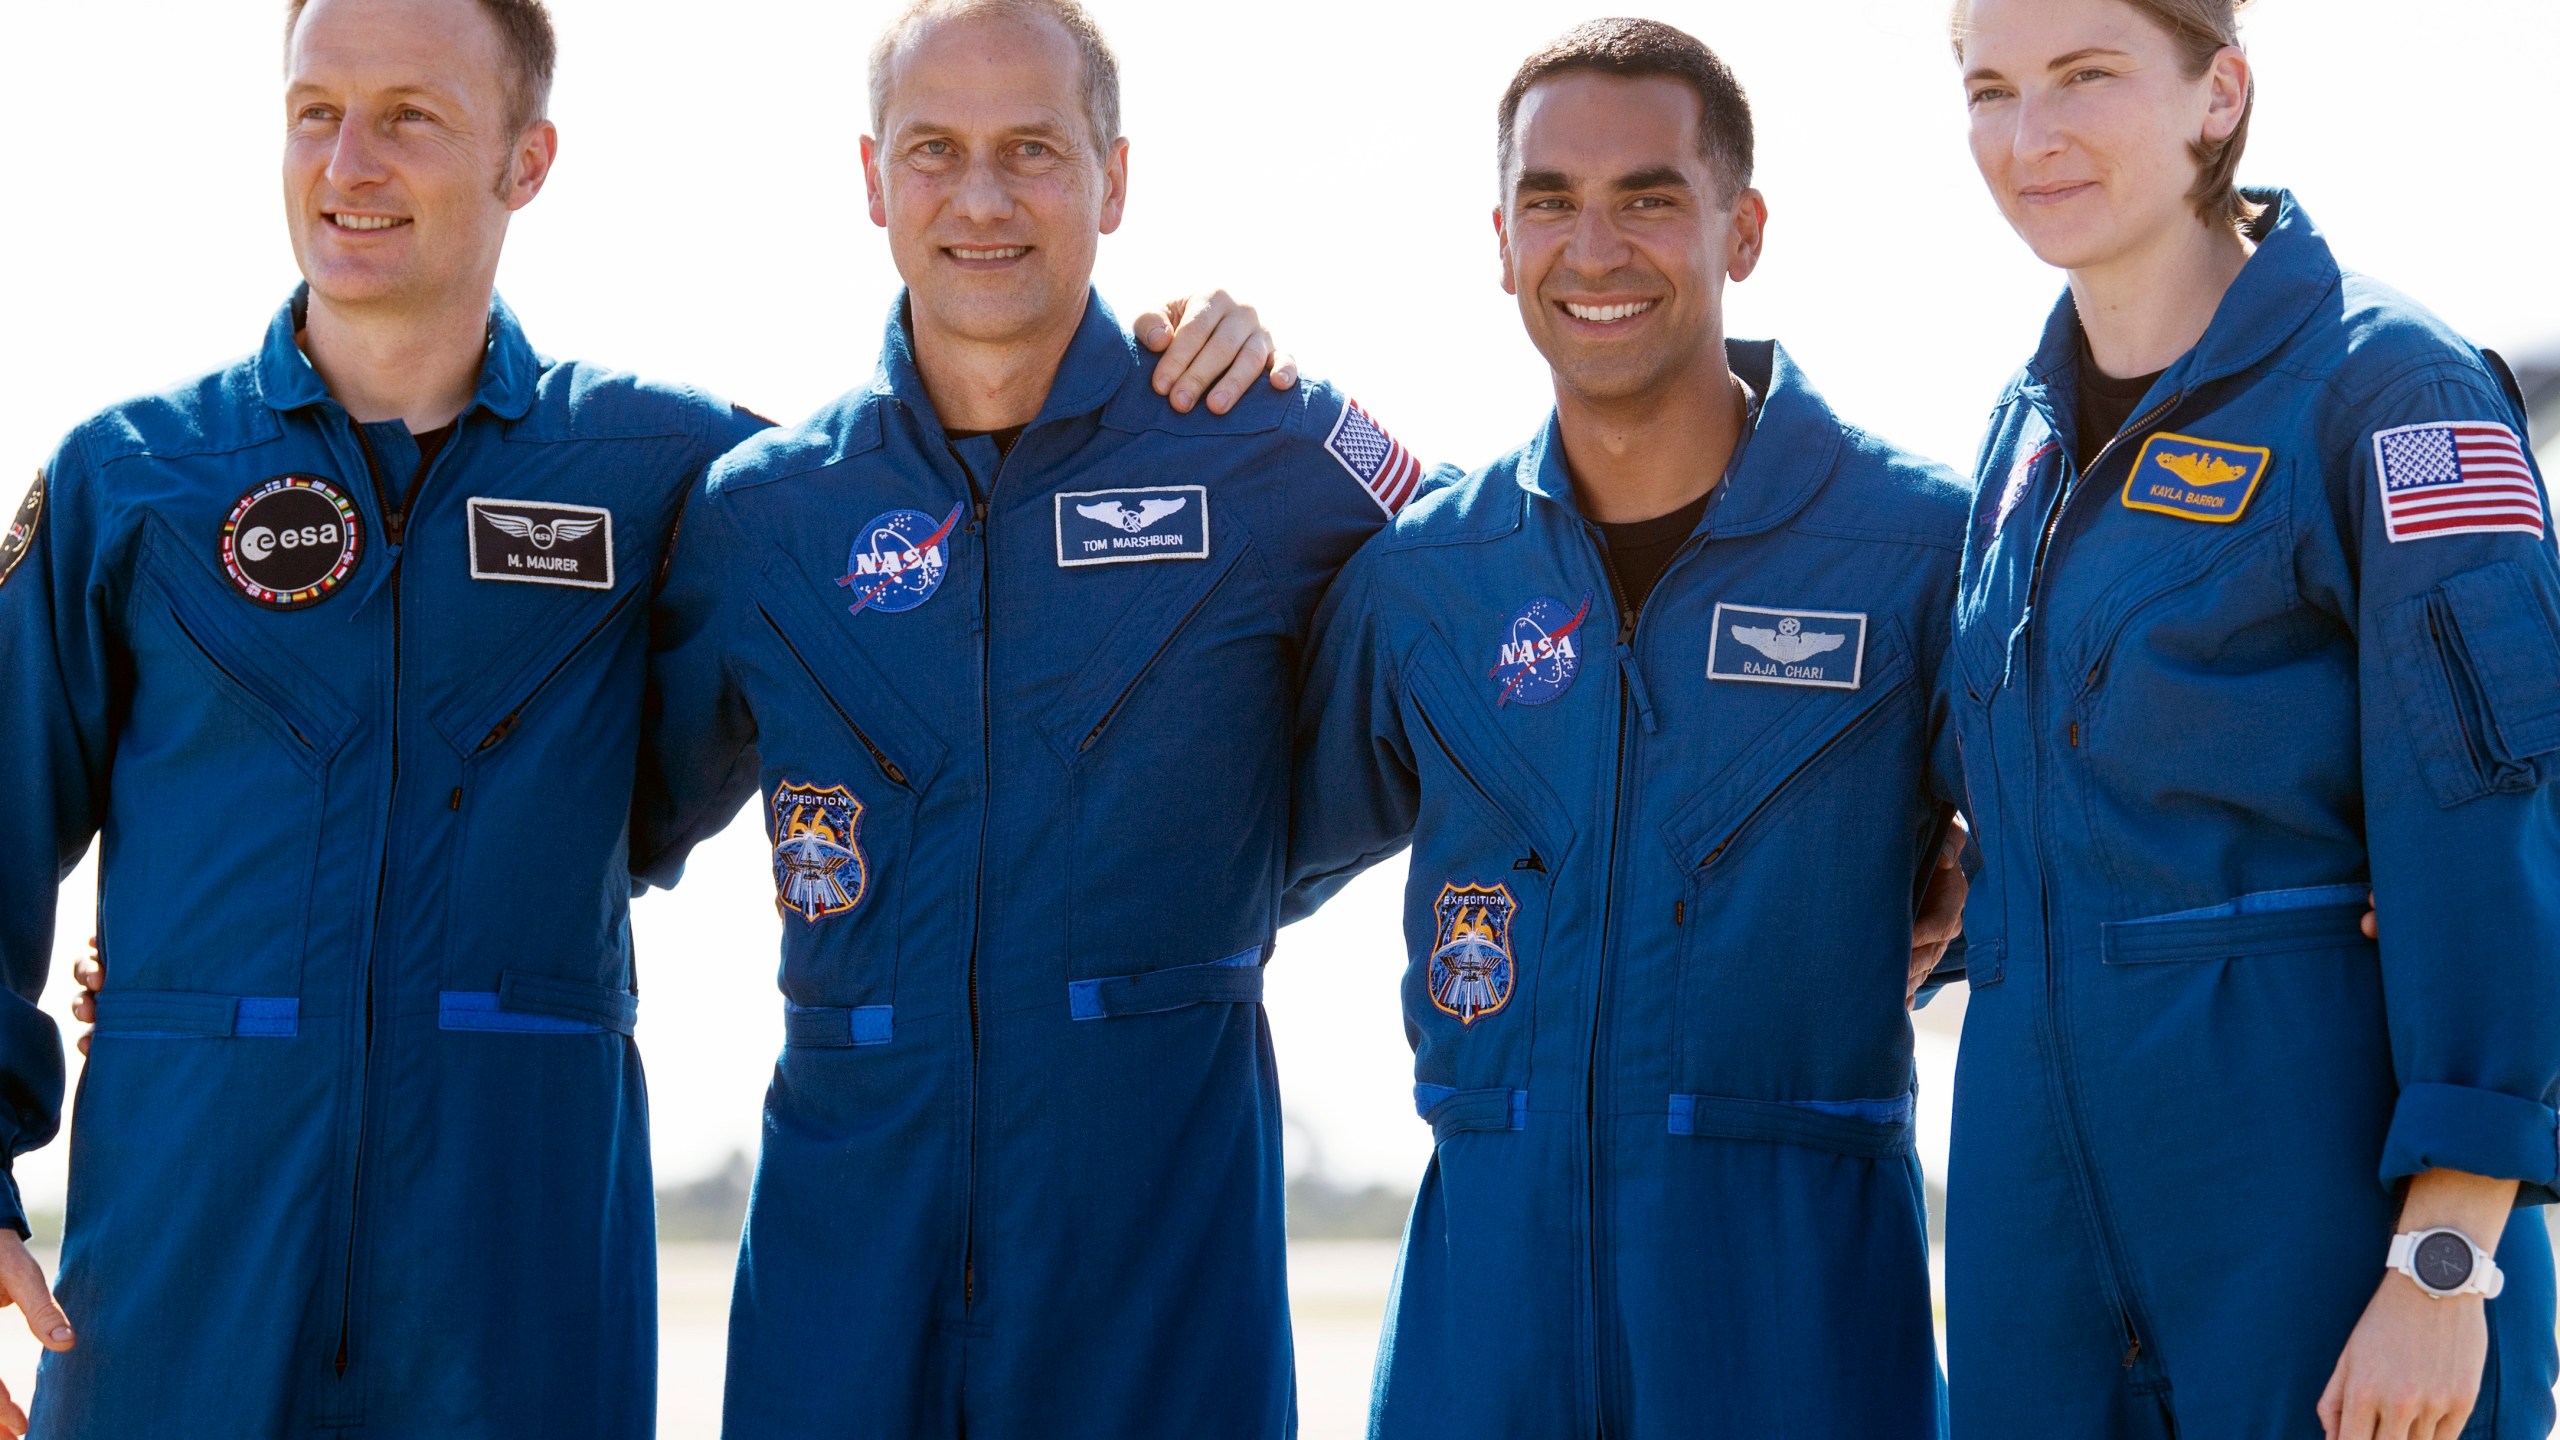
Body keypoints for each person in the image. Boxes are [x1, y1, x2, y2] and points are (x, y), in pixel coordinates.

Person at [1, 0, 1278, 1434]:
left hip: (516, 1269)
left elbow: (949, 510)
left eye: (410, 116)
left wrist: (1175, 391)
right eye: (315, 111)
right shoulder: (131, 482)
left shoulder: (675, 474)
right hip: (185, 1256)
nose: (348, 160)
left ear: (527, 159)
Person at [631, 2, 1431, 1434]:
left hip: (1161, 1263)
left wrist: (1260, 870)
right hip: (842, 1267)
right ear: (870, 180)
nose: (983, 196)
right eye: (934, 149)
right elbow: (578, 813)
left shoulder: (1267, 452)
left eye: (1033, 151)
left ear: (1116, 178)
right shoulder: (766, 514)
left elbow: (1523, 615)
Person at [1284, 20, 1969, 1438]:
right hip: (1484, 1331)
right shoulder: (1428, 578)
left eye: (1649, 195)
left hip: (1797, 1319)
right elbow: (1212, 860)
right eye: (1551, 201)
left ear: (1745, 228)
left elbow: (2086, 860)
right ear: (1499, 237)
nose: (1593, 248)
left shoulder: (1915, 552)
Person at [1941, 1, 2560, 1436]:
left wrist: (2443, 1262)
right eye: (1990, 89)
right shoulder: (2018, 445)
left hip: (2314, 1208)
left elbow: (2492, 816)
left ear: (2219, 94)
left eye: (2085, 77)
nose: (2031, 136)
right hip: (2035, 1220)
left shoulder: (2390, 391)